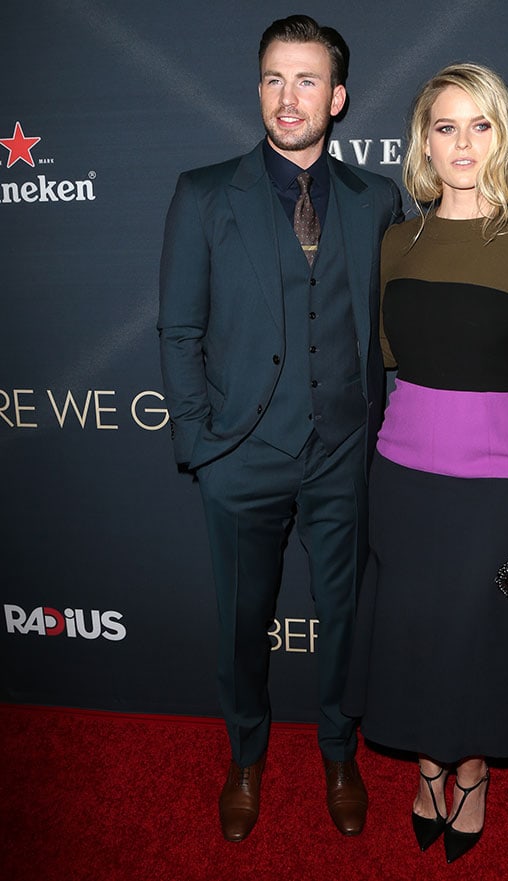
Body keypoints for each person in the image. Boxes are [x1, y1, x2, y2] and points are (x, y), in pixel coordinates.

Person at [158, 14, 403, 841]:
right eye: (273, 78)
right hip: (240, 457)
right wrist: (202, 445)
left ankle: (340, 751)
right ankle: (245, 757)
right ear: (258, 90)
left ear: (336, 98)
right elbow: (180, 330)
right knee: (241, 625)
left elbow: (397, 322)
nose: (287, 96)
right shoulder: (203, 193)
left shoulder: (379, 200)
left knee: (344, 619)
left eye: (305, 80)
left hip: (343, 453)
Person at [342, 63, 508, 864]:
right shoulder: (394, 244)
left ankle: (471, 769)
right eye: (446, 126)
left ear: (504, 136)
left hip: (492, 491)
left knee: (476, 635)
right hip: (399, 483)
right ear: (425, 143)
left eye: (480, 124)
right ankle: (428, 766)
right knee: (408, 633)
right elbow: (384, 356)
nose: (463, 142)